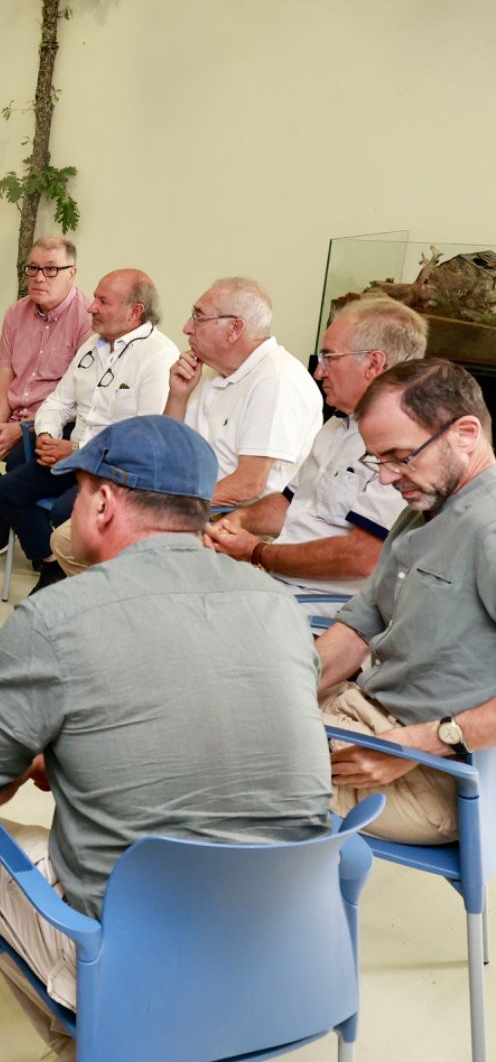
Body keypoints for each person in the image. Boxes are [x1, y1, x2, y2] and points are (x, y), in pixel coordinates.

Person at [0, 415, 332, 1060]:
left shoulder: (54, 619)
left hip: (142, 956)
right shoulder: (277, 606)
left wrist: (42, 753)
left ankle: (91, 1040)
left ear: (105, 503)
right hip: (295, 948)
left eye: (79, 492)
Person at [317, 359, 496, 845]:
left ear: (464, 432)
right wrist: (282, 690)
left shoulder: (489, 525)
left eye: (400, 456)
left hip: (439, 773)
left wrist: (421, 744)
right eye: (380, 460)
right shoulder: (428, 507)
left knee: (218, 771)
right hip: (368, 720)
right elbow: (357, 627)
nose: (386, 479)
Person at [204, 297, 427, 617]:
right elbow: (288, 505)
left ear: (374, 364)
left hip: (327, 609)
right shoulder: (337, 426)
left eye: (330, 358)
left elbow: (362, 557)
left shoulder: (407, 441)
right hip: (279, 585)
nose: (319, 371)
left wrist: (256, 551)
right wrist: (236, 522)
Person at [0, 269, 177, 593]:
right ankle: (52, 564)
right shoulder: (93, 345)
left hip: (114, 468)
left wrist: (77, 451)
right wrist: (46, 435)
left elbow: (144, 437)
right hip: (73, 457)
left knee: (66, 512)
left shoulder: (158, 356)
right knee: (3, 490)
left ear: (135, 312)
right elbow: (58, 401)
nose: (91, 307)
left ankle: (78, 584)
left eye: (103, 301)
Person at [0, 236, 92, 557]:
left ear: (72, 273)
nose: (39, 277)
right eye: (33, 268)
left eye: (51, 269)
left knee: (19, 459)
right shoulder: (15, 312)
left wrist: (18, 433)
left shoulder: (87, 319)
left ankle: (24, 526)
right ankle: (13, 514)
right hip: (11, 411)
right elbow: (4, 373)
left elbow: (77, 399)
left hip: (53, 421)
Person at [163, 276, 323, 506]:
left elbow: (250, 484)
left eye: (199, 317)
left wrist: (176, 510)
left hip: (234, 522)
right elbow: (166, 448)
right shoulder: (210, 371)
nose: (186, 328)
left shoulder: (277, 379)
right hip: (196, 506)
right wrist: (178, 396)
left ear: (235, 328)